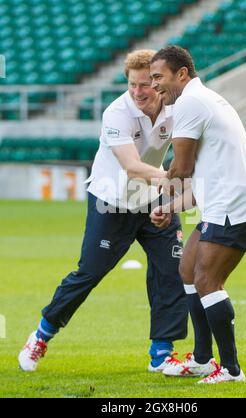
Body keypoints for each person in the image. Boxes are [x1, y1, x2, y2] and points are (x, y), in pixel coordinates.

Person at [18, 49, 188, 373]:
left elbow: (184, 152)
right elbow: (132, 166)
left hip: (152, 198)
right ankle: (42, 333)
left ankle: (162, 354)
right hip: (111, 202)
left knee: (172, 268)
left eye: (145, 85)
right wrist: (174, 179)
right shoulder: (115, 113)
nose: (138, 92)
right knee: (90, 273)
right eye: (132, 85)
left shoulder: (175, 109)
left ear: (157, 81)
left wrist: (174, 189)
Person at [149, 45, 246, 384]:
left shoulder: (189, 102)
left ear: (182, 74)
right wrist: (170, 206)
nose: (155, 85)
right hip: (224, 203)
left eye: (159, 77)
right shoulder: (202, 99)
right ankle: (203, 359)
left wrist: (149, 179)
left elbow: (183, 168)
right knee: (188, 270)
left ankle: (231, 370)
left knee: (207, 281)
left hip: (234, 206)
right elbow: (201, 178)